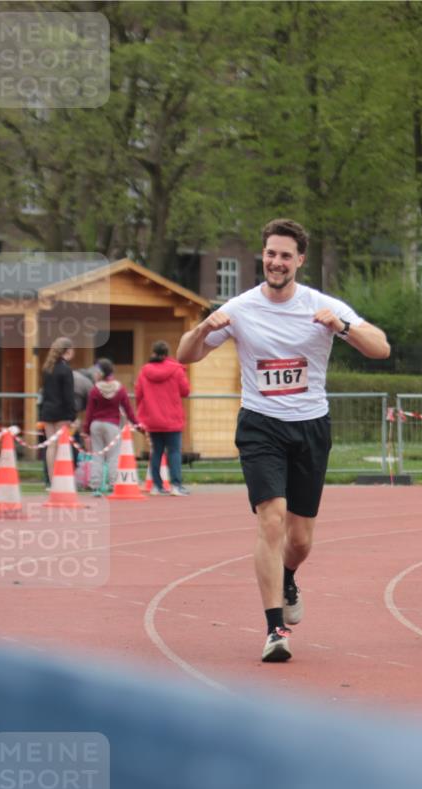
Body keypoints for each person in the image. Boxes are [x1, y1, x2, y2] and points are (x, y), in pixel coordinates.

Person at [177, 218, 390, 663]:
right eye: (271, 254)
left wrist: (342, 327)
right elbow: (185, 355)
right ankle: (275, 627)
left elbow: (380, 347)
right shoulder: (240, 307)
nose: (276, 262)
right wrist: (202, 329)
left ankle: (288, 575)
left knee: (301, 539)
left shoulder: (322, 305)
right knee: (271, 519)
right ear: (263, 256)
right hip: (261, 425)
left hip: (310, 426)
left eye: (285, 256)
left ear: (300, 260)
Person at [135, 340, 190, 496]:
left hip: (152, 418)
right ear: (167, 354)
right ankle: (176, 485)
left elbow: (138, 394)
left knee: (156, 452)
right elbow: (185, 391)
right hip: (172, 418)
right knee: (174, 452)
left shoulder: (144, 371)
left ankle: (156, 486)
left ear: (153, 352)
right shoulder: (176, 370)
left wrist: (141, 415)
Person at [83, 358, 137, 495]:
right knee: (114, 455)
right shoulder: (119, 389)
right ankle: (114, 483)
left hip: (96, 425)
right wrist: (136, 424)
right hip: (112, 425)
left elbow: (89, 412)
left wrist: (85, 430)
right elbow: (128, 409)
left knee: (97, 455)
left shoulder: (95, 389)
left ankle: (95, 485)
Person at [39, 336, 76, 483]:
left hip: (47, 411)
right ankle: (63, 479)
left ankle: (52, 479)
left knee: (51, 445)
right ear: (68, 351)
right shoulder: (66, 370)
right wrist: (72, 415)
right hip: (61, 412)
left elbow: (44, 392)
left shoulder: (47, 368)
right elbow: (69, 395)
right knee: (62, 445)